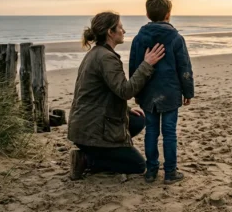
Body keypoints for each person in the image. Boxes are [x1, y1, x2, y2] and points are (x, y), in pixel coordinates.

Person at [67, 11, 165, 180]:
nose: (123, 31)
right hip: (91, 131)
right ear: (110, 32)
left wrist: (125, 110)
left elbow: (99, 95)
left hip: (85, 126)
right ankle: (87, 159)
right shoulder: (106, 58)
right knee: (138, 166)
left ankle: (102, 153)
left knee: (137, 120)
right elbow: (125, 91)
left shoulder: (96, 53)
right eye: (120, 27)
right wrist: (147, 64)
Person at [129, 0, 194, 184]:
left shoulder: (139, 39)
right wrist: (188, 92)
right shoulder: (175, 38)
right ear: (168, 14)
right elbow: (184, 68)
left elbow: (134, 68)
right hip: (170, 91)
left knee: (151, 131)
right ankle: (170, 172)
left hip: (148, 92)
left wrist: (136, 92)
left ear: (147, 14)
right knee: (169, 132)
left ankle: (151, 171)